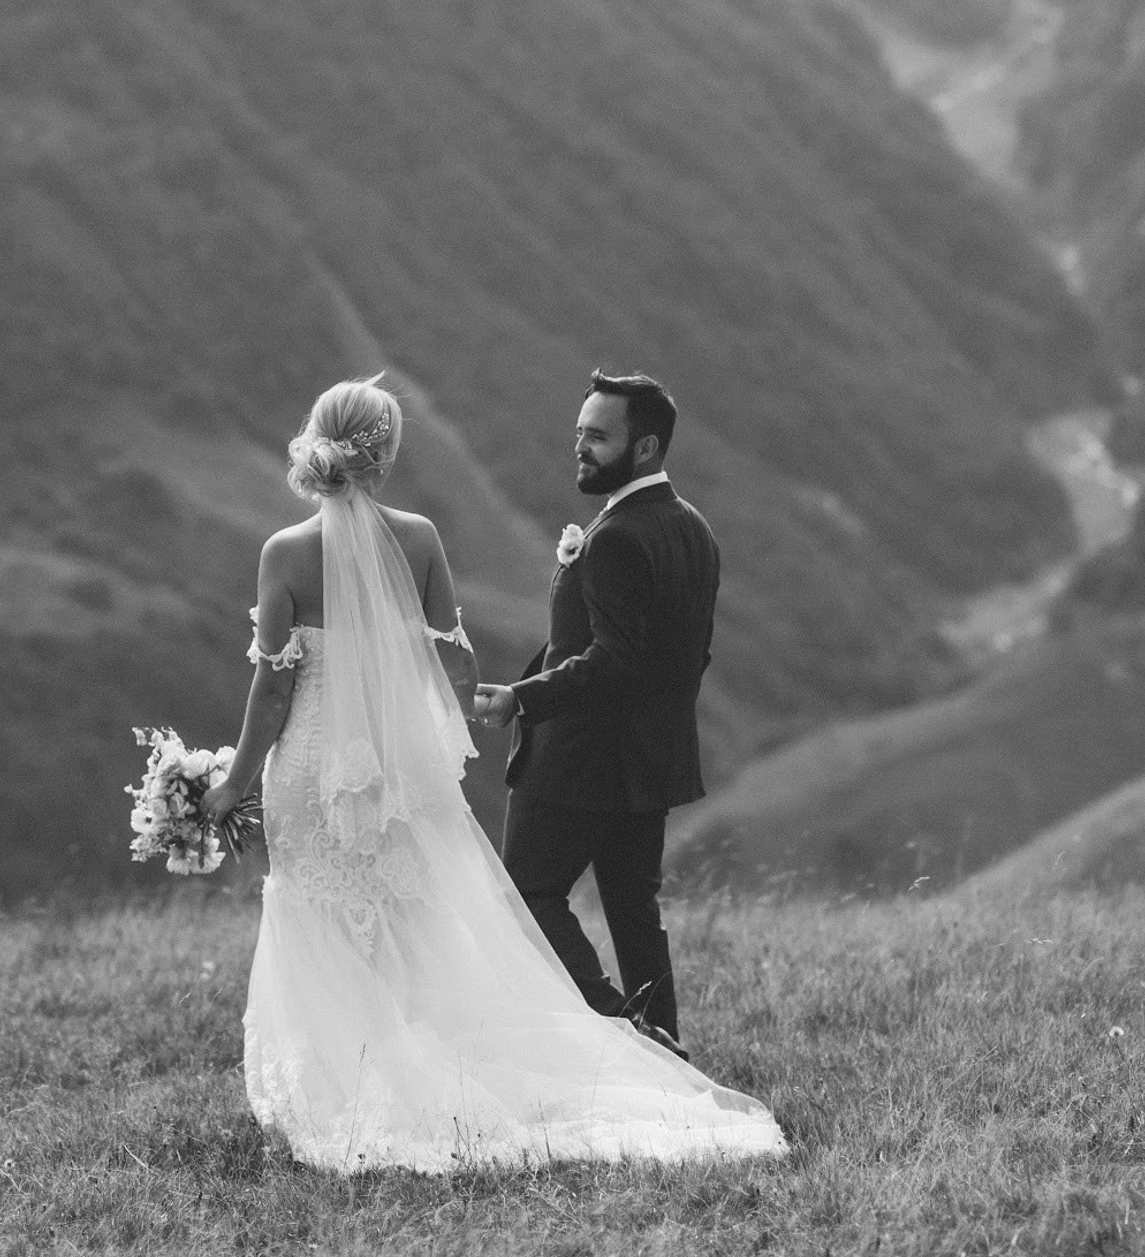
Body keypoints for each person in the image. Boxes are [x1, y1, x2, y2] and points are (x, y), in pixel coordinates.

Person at [201, 375, 782, 1171]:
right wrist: (450, 711)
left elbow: (272, 687)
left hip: (310, 770)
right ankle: (625, 1039)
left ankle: (351, 1081)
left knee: (322, 919)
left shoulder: (285, 553)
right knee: (425, 922)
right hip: (405, 775)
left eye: (595, 433)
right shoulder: (422, 539)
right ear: (387, 453)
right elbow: (455, 654)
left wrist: (233, 781)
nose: (580, 443)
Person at [473, 369, 715, 1058]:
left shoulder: (614, 538)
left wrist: (523, 697)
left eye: (598, 437)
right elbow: (688, 656)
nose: (579, 448)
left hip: (579, 760)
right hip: (648, 761)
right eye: (579, 433)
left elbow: (613, 659)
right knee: (635, 913)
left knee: (528, 894)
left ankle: (626, 1038)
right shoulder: (693, 529)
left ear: (644, 450)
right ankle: (666, 1047)